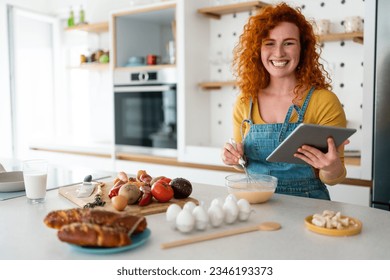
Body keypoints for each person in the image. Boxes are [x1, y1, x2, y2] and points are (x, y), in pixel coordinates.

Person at [221, 2, 348, 200]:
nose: (279, 53)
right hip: (256, 202)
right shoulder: (245, 102)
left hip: (308, 204)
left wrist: (331, 167)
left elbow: (333, 178)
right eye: (269, 43)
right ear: (258, 50)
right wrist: (234, 158)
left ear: (303, 49)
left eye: (289, 43)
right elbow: (243, 163)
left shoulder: (324, 101)